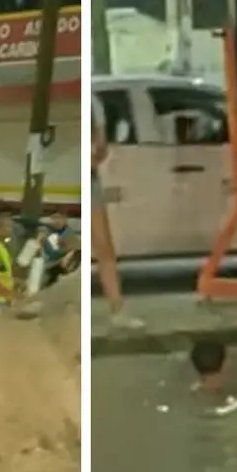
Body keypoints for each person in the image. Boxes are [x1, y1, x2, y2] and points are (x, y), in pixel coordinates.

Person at [92, 93, 143, 328]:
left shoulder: (92, 101)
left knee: (101, 248)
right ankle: (117, 310)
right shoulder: (93, 101)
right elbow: (101, 150)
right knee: (104, 248)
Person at [38, 211, 81, 287]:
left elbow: (74, 252)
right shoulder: (46, 233)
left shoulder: (70, 235)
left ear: (65, 219)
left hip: (62, 270)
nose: (57, 221)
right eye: (54, 218)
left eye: (59, 218)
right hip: (46, 267)